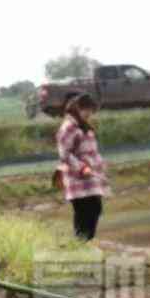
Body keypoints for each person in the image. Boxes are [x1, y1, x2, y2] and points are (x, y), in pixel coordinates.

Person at [55, 93, 108, 241]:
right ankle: (80, 244)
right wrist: (81, 167)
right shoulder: (68, 127)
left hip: (91, 178)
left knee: (96, 209)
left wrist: (100, 165)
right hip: (77, 178)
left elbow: (90, 150)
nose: (90, 114)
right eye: (88, 111)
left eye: (92, 111)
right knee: (85, 213)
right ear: (78, 108)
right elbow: (64, 154)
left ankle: (84, 243)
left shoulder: (83, 124)